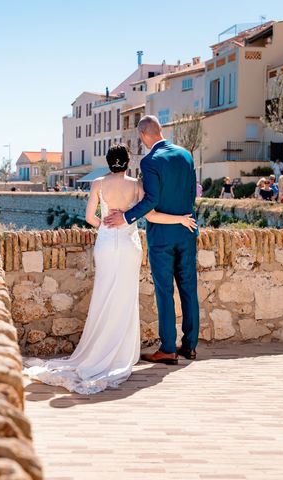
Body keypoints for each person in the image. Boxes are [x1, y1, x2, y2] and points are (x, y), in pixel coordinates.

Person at [22, 144, 196, 394]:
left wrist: (105, 225)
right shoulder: (137, 185)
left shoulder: (98, 184)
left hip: (105, 243)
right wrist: (179, 218)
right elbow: (153, 216)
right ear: (127, 162)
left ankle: (98, 350)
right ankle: (121, 353)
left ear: (108, 162)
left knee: (104, 296)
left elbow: (90, 217)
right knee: (125, 298)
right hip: (128, 245)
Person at [103, 115, 199, 365]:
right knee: (189, 288)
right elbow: (192, 192)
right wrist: (183, 217)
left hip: (162, 237)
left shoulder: (150, 161)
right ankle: (189, 346)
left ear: (144, 135)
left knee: (165, 289)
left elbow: (151, 200)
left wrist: (126, 217)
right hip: (188, 229)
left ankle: (168, 348)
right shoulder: (186, 155)